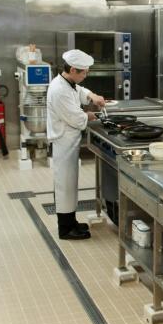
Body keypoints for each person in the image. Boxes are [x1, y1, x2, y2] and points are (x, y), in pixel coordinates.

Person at [47, 49, 107, 240]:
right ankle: (65, 229)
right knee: (65, 185)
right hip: (63, 141)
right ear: (73, 70)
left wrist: (93, 96)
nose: (86, 75)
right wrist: (89, 115)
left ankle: (71, 221)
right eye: (84, 72)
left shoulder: (67, 82)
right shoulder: (59, 90)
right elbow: (75, 117)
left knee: (71, 184)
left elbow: (80, 91)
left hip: (70, 141)